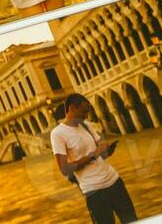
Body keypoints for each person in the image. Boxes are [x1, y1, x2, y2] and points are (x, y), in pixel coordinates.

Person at [51, 94, 138, 224]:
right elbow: (64, 169)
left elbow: (101, 153)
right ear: (72, 108)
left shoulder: (86, 125)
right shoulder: (58, 134)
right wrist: (93, 155)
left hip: (114, 181)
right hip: (94, 191)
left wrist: (107, 151)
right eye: (84, 111)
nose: (86, 116)